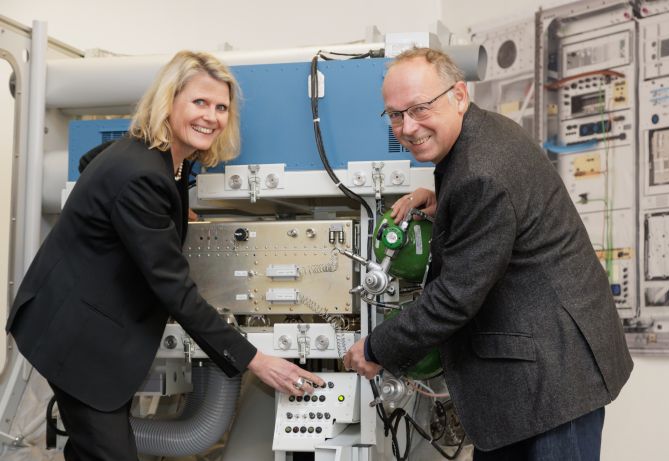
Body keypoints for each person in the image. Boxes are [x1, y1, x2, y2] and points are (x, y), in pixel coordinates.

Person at [6, 50, 323, 460]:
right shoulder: (142, 173)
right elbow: (174, 289)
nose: (211, 116)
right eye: (200, 103)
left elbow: (90, 163)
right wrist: (255, 359)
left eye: (221, 107)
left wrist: (165, 212)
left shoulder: (154, 159)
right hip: (76, 339)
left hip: (81, 329)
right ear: (168, 102)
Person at [343, 47, 633, 460]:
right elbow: (501, 208)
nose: (407, 127)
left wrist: (376, 348)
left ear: (458, 96)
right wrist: (446, 203)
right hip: (533, 365)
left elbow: (454, 298)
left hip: (555, 377)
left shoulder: (482, 171)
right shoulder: (483, 136)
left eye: (420, 108)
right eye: (394, 114)